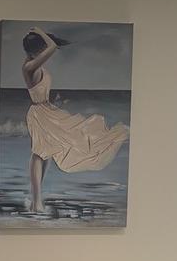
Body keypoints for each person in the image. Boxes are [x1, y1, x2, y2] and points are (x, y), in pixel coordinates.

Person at [22, 27, 130, 213]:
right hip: (39, 113)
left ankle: (36, 201)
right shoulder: (29, 66)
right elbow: (52, 46)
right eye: (40, 49)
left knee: (47, 152)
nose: (43, 53)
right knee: (39, 153)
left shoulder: (35, 64)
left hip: (47, 110)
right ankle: (37, 201)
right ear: (35, 51)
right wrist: (41, 32)